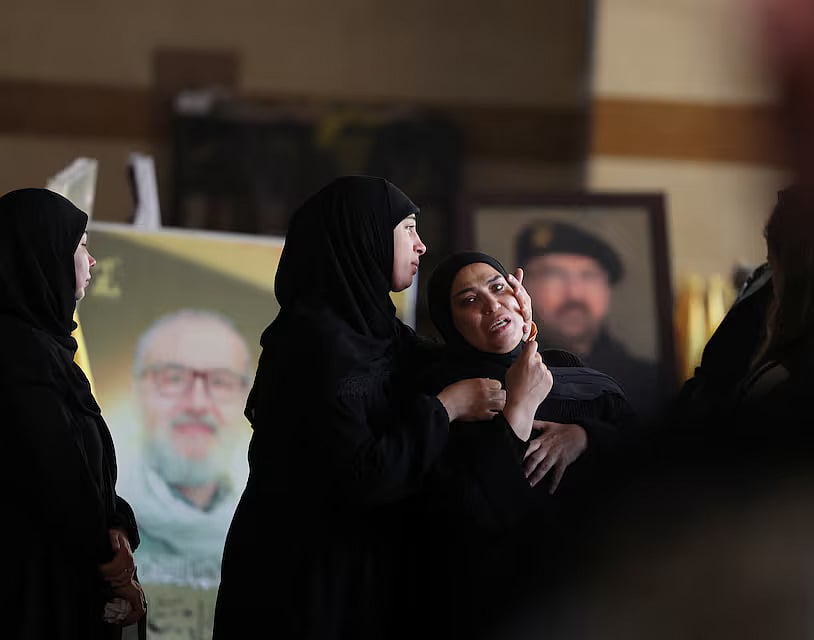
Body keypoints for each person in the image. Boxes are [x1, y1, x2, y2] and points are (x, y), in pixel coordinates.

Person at [212, 176, 531, 639]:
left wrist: (518, 327)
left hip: (361, 582)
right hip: (304, 588)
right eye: (407, 229)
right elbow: (362, 475)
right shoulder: (314, 349)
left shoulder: (378, 329)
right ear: (364, 236)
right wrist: (446, 407)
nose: (421, 245)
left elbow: (451, 362)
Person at [415, 251, 638, 638]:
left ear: (520, 296)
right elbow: (470, 514)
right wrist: (518, 409)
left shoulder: (570, 372)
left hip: (596, 598)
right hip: (500, 607)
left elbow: (646, 462)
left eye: (499, 287)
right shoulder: (443, 401)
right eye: (469, 300)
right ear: (450, 324)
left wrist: (584, 436)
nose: (492, 305)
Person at [0, 188, 146, 639]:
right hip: (33, 597)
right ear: (43, 256)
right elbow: (59, 475)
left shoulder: (48, 353)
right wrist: (112, 567)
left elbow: (87, 471)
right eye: (81, 245)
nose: (92, 260)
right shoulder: (20, 358)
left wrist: (118, 524)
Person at [118, 309, 251, 586]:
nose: (197, 403)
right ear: (137, 391)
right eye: (174, 378)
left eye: (220, 382)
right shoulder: (102, 511)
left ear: (245, 398)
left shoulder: (269, 525)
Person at [515, 220, 660, 417]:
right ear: (523, 286)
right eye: (554, 275)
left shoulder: (647, 380)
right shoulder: (504, 376)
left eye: (589, 275)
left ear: (607, 290)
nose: (574, 293)